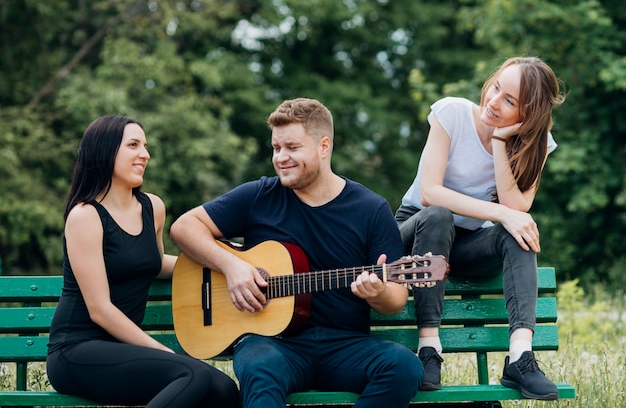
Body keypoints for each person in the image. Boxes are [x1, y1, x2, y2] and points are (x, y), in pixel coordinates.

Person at [170, 98, 423, 408]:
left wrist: (378, 292)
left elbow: (396, 299)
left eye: (292, 147)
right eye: (276, 148)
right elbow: (184, 227)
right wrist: (232, 266)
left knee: (404, 366)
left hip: (344, 345)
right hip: (273, 346)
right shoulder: (259, 195)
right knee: (258, 366)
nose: (281, 158)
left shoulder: (370, 209)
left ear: (324, 146)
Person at [395, 57, 565, 400]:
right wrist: (503, 214)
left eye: (509, 101)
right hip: (415, 231)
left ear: (529, 115)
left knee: (519, 233)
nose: (493, 101)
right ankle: (428, 350)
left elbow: (516, 209)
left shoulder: (536, 143)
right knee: (441, 214)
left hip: (465, 244)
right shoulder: (452, 113)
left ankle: (520, 357)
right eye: (497, 87)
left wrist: (501, 143)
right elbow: (430, 193)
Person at [46, 115, 240, 408]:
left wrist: (228, 264)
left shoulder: (152, 207)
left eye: (145, 146)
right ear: (105, 151)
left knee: (223, 389)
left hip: (121, 351)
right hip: (76, 351)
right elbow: (100, 310)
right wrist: (162, 351)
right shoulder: (85, 216)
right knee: (191, 374)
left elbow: (154, 262)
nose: (145, 154)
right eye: (133, 145)